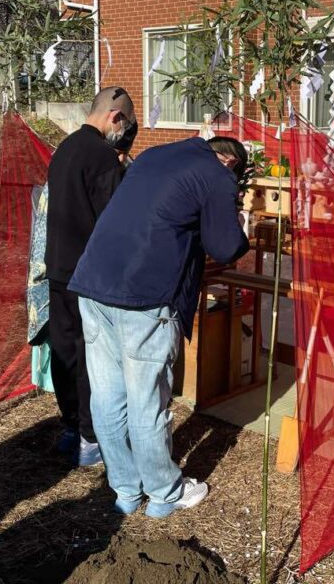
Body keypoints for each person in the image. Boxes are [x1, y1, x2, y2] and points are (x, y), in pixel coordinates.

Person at [69, 135, 250, 517]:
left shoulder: (154, 155)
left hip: (93, 282)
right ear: (231, 163)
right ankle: (164, 493)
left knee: (106, 397)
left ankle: (125, 490)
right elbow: (224, 246)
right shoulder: (217, 175)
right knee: (146, 399)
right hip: (144, 295)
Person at [44, 86, 137, 467]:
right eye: (127, 126)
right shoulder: (101, 157)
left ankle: (70, 426)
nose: (125, 134)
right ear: (115, 118)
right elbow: (116, 218)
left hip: (57, 265)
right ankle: (90, 436)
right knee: (89, 355)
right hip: (87, 271)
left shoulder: (64, 148)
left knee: (64, 348)